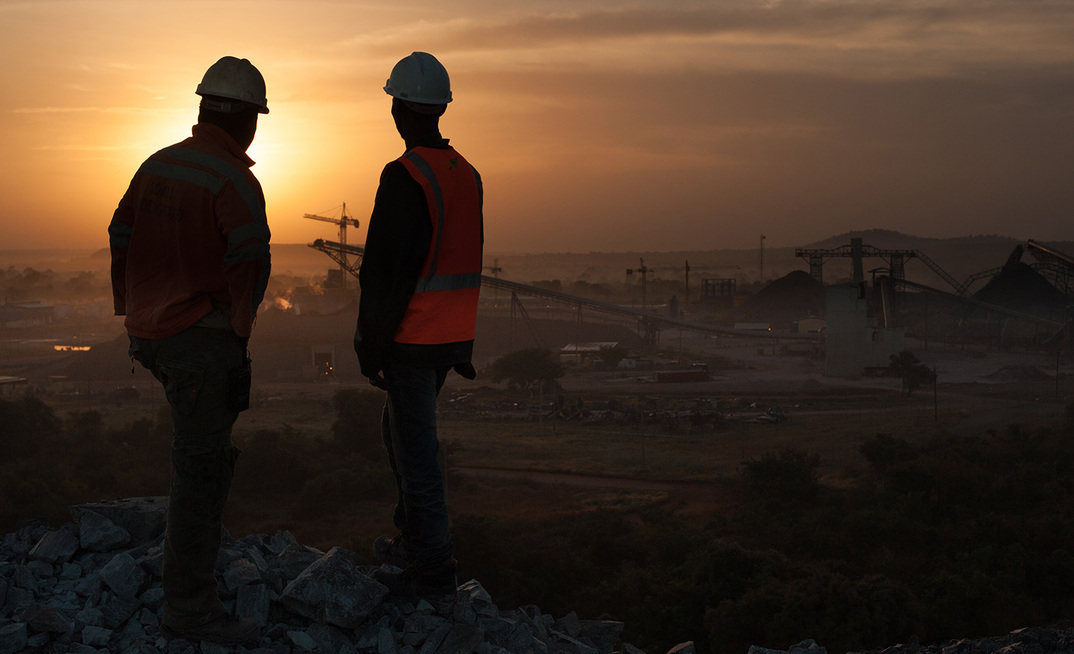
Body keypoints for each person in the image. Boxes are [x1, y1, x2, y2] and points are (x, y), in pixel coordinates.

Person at [108, 56, 271, 645]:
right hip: (200, 341)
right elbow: (250, 255)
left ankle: (188, 580)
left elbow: (120, 232)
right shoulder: (233, 180)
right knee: (201, 470)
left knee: (197, 455)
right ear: (248, 119)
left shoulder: (158, 164)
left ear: (204, 109)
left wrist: (133, 305)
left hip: (151, 336)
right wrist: (240, 328)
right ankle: (190, 610)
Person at [354, 51, 483, 608]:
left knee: (416, 453)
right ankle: (414, 539)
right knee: (401, 434)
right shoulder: (466, 174)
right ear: (441, 108)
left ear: (399, 109)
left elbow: (386, 272)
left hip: (413, 337)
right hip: (449, 337)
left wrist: (370, 344)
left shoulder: (405, 175)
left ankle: (432, 570)